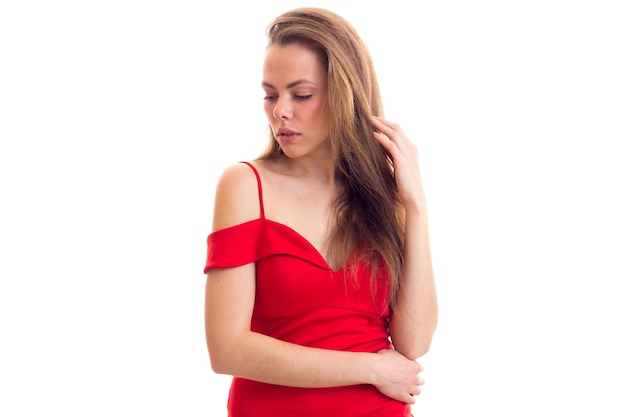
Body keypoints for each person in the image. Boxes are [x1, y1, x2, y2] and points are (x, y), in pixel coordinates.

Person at [203, 7, 438, 417]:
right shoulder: (245, 186)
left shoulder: (383, 195)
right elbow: (227, 348)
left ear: (344, 93)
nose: (281, 112)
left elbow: (413, 341)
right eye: (271, 94)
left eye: (302, 94)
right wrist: (370, 368)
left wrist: (415, 204)